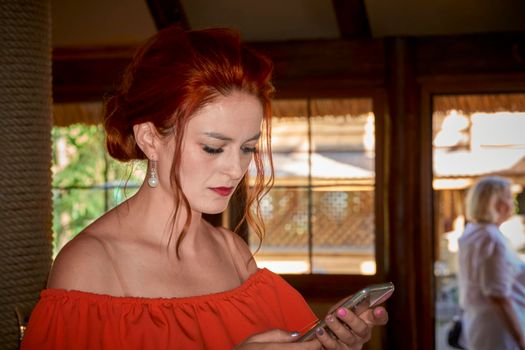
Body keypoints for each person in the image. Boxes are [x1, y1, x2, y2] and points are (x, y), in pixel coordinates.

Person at [21, 26, 388, 350]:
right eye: (213, 147)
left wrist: (333, 347)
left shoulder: (233, 252)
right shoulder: (88, 265)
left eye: (247, 148)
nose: (235, 169)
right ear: (150, 138)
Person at [458, 176, 525, 350]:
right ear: (496, 203)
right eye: (509, 197)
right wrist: (521, 339)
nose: (513, 203)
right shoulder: (490, 239)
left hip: (482, 324)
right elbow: (498, 297)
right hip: (499, 331)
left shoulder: (475, 232)